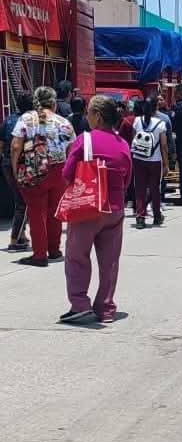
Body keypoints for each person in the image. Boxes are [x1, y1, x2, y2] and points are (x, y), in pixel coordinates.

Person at [61, 95, 132, 324]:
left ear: (98, 116)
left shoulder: (85, 140)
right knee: (110, 261)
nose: (86, 116)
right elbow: (127, 178)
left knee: (76, 256)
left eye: (89, 112)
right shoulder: (123, 144)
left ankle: (80, 304)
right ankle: (106, 308)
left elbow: (67, 173)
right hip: (115, 208)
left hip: (88, 207)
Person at [10, 85, 75, 267]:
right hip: (59, 170)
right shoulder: (64, 122)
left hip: (35, 170)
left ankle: (39, 254)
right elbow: (72, 148)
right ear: (54, 103)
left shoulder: (27, 118)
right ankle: (54, 250)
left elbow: (16, 146)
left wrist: (16, 170)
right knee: (55, 212)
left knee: (36, 212)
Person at [0, 91, 33, 252]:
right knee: (23, 202)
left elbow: (1, 144)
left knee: (19, 200)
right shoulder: (28, 121)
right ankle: (15, 239)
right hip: (20, 164)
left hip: (6, 163)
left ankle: (21, 235)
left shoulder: (8, 120)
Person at [131, 95, 168, 229]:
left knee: (139, 188)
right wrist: (166, 164)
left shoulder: (137, 120)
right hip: (155, 160)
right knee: (154, 189)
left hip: (138, 159)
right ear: (155, 108)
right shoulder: (161, 124)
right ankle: (157, 216)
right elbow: (164, 145)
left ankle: (140, 217)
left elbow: (133, 140)